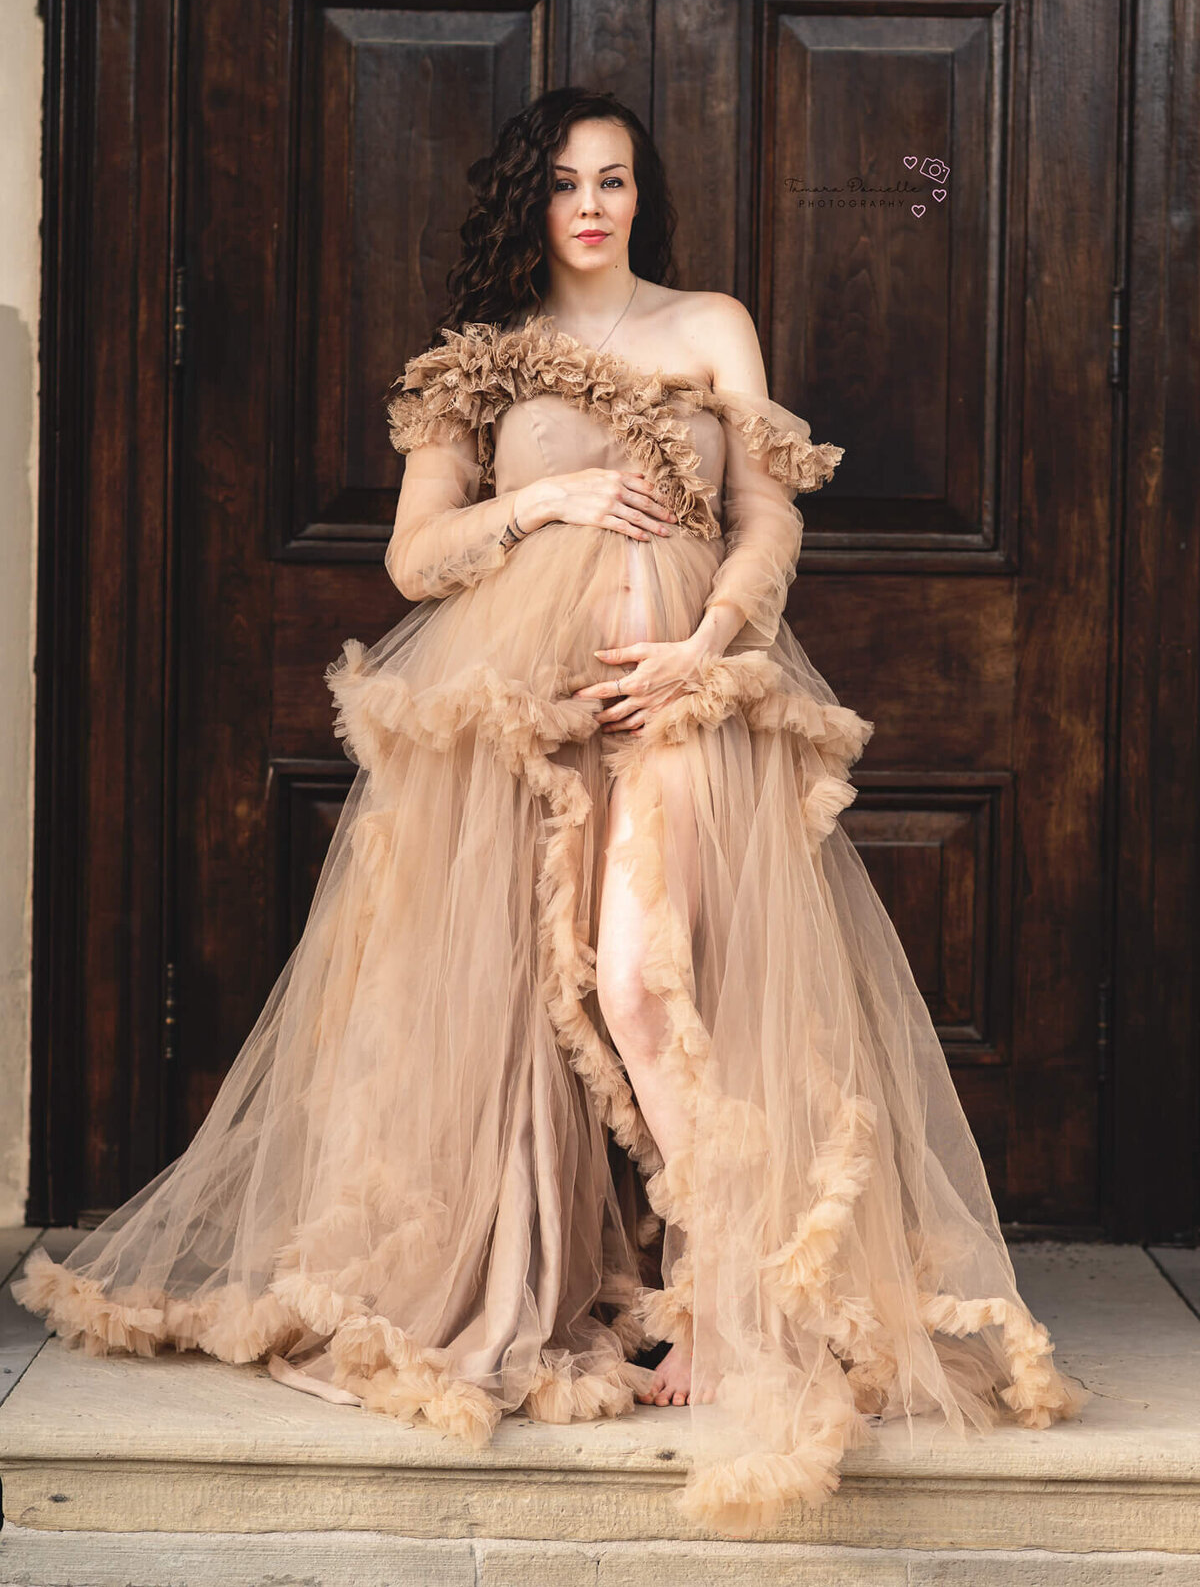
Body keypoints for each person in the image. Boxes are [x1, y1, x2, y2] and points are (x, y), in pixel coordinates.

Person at [14, 85, 1085, 1537]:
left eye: (617, 179)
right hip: (523, 722)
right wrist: (548, 506)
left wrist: (710, 644)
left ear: (644, 197)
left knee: (652, 981)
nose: (592, 202)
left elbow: (771, 515)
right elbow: (412, 558)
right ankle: (581, 1273)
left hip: (682, 698)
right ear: (534, 201)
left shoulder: (710, 326)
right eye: (569, 181)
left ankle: (724, 1292)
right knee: (532, 1004)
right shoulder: (479, 369)